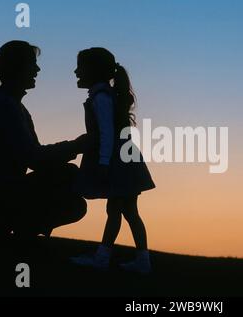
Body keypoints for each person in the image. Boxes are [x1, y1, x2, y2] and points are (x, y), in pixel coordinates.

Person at [0, 40, 88, 240]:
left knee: (70, 182)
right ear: (17, 67)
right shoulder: (6, 106)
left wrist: (73, 148)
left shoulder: (12, 105)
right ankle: (19, 230)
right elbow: (33, 158)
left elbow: (34, 156)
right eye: (32, 63)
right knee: (74, 200)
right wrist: (77, 146)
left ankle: (4, 225)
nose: (37, 69)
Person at [70, 47, 155, 274]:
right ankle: (140, 260)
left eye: (81, 67)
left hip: (117, 160)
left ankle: (104, 259)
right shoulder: (104, 95)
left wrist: (103, 163)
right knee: (126, 211)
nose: (76, 72)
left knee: (119, 210)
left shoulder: (101, 98)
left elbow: (107, 133)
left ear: (94, 71)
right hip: (123, 158)